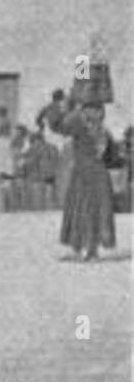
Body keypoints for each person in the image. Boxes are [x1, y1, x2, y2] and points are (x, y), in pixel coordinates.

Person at [47, 94, 116, 261]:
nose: (87, 112)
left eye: (91, 109)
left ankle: (88, 249)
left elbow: (58, 126)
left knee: (86, 210)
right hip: (95, 175)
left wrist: (60, 106)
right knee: (87, 210)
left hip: (87, 175)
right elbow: (112, 157)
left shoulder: (81, 125)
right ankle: (85, 249)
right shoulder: (103, 130)